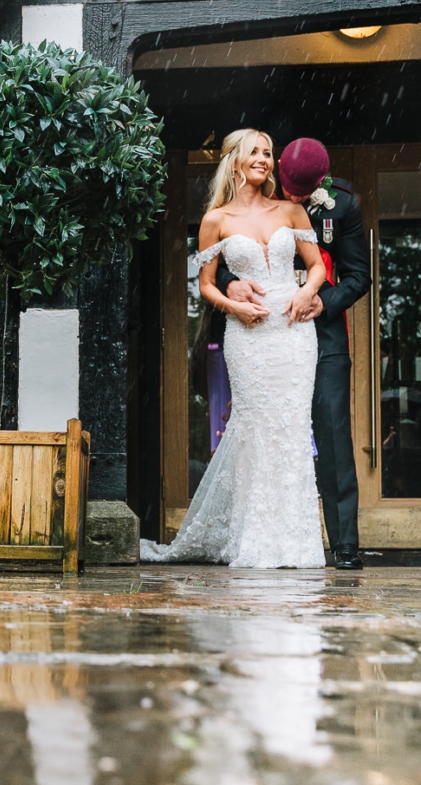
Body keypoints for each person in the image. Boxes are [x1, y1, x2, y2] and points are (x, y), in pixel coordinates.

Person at [142, 129, 327, 568]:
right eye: (254, 152)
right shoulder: (216, 220)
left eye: (268, 153)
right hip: (248, 336)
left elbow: (316, 266)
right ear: (235, 160)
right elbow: (206, 285)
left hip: (294, 332)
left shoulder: (291, 210)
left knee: (292, 429)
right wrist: (235, 308)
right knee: (254, 430)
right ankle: (254, 539)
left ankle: (296, 543)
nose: (263, 159)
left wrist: (307, 292)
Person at [220, 137, 370, 570]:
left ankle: (344, 545)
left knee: (333, 433)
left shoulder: (342, 204)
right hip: (265, 331)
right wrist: (230, 283)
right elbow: (221, 252)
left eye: (305, 194)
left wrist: (324, 301)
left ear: (320, 183)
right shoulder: (255, 193)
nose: (296, 199)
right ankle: (261, 536)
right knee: (265, 432)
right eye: (291, 190)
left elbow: (359, 275)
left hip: (321, 334)